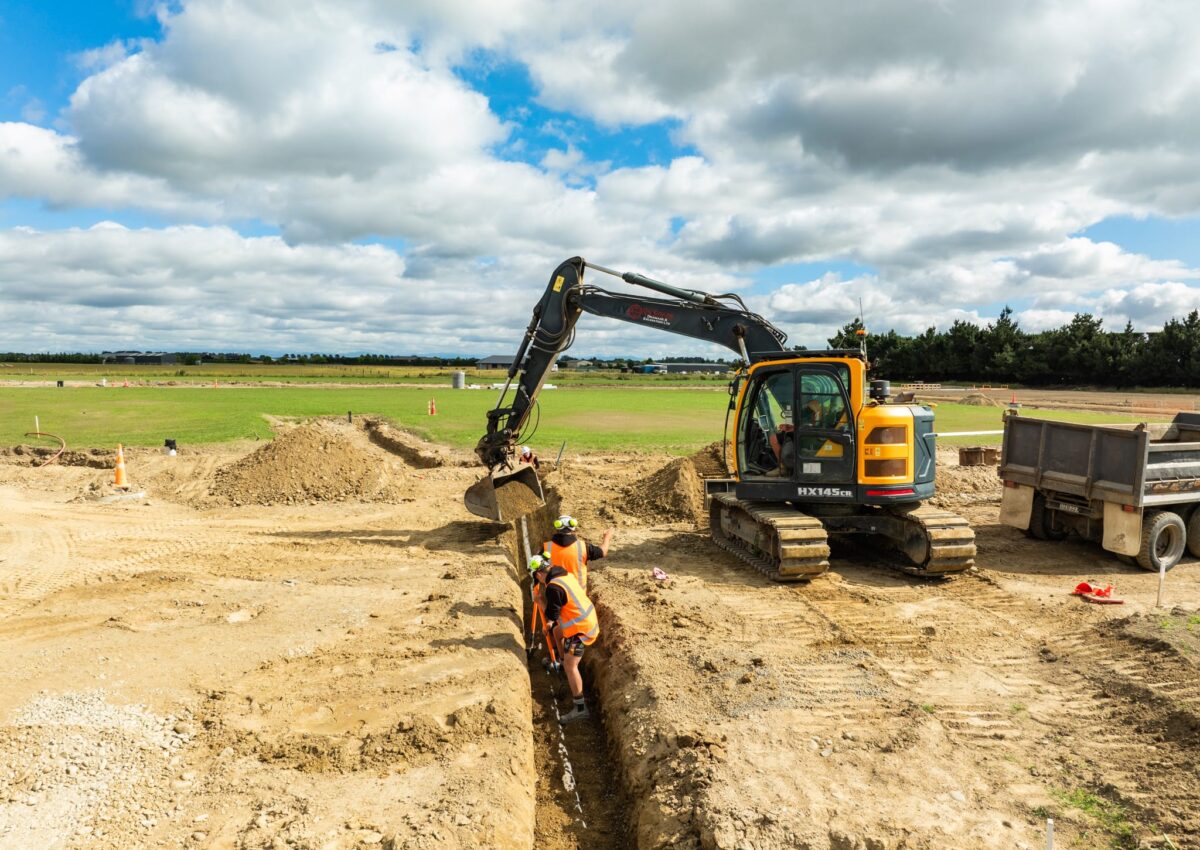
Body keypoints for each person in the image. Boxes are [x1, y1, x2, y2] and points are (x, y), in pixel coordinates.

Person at [529, 552, 599, 724]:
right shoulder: (563, 574)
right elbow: (556, 620)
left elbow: (552, 615)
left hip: (582, 629)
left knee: (571, 665)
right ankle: (559, 661)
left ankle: (580, 708)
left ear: (538, 574)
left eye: (536, 579)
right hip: (584, 619)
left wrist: (539, 601)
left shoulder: (553, 587)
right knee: (557, 632)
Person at [543, 514, 612, 588]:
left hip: (554, 593)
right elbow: (602, 551)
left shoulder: (546, 547)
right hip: (577, 594)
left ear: (557, 527)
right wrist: (607, 537)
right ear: (573, 528)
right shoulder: (582, 547)